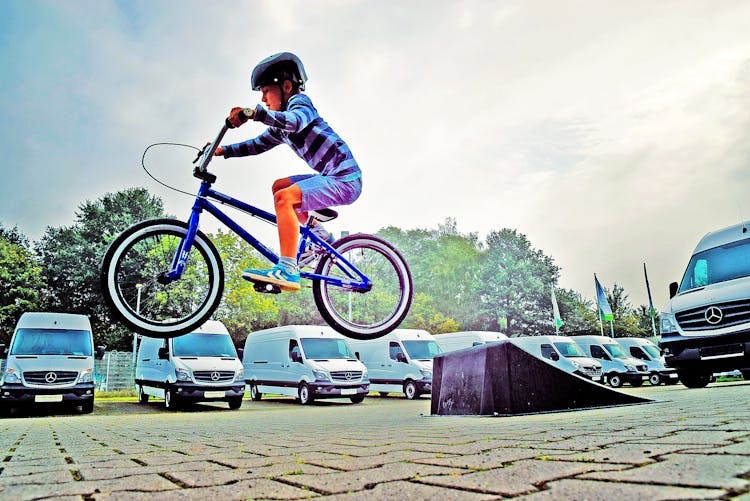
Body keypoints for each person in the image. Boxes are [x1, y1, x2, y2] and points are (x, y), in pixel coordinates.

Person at [214, 52, 362, 291]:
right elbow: (256, 145)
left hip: (345, 179)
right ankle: (321, 238)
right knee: (279, 186)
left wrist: (253, 114)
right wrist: (223, 151)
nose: (263, 100)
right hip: (330, 177)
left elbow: (293, 121)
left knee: (285, 198)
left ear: (285, 86)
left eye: (265, 92)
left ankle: (288, 268)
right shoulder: (279, 129)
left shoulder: (300, 104)